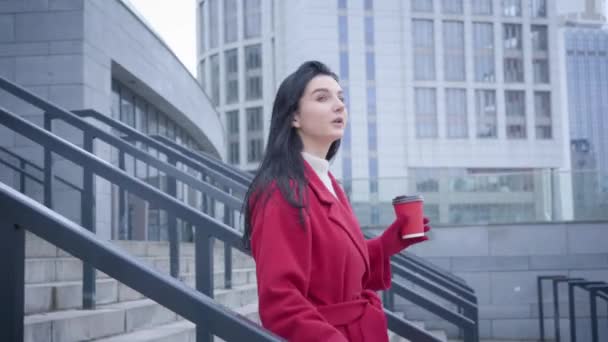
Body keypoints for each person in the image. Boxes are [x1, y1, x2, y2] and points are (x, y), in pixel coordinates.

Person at [242, 61, 431, 342]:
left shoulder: (329, 183)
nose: (339, 105)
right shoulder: (280, 192)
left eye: (341, 97)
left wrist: (386, 245)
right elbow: (281, 303)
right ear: (294, 116)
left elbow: (334, 273)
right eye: (322, 97)